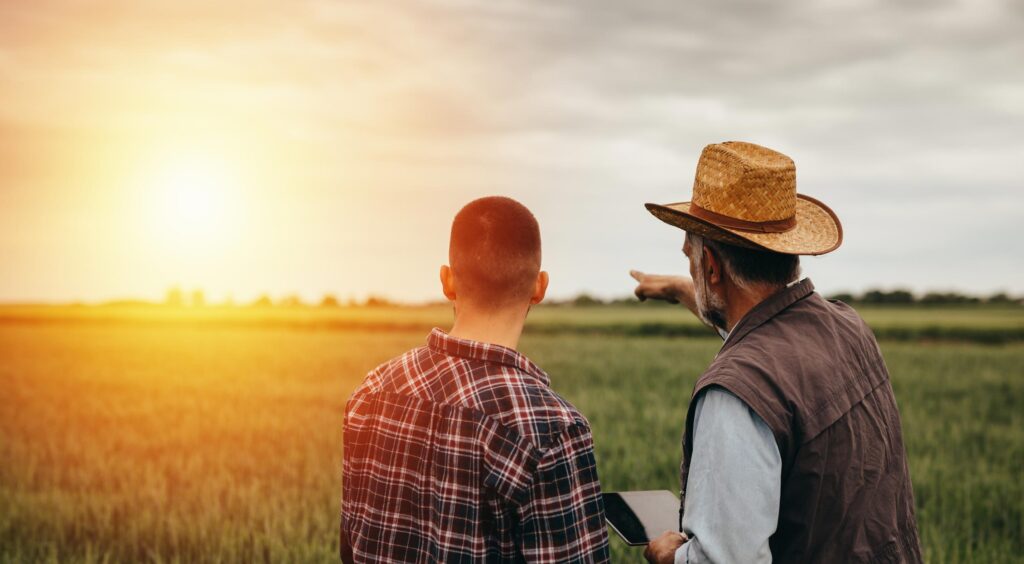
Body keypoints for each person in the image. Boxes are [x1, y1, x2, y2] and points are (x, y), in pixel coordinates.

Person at [633, 142, 923, 563]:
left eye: (691, 259)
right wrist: (682, 289)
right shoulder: (849, 327)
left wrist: (669, 557)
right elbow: (767, 333)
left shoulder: (735, 396)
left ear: (711, 267)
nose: (690, 268)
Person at [340, 196, 609, 563]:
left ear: (447, 281)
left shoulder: (370, 394)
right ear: (539, 287)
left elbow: (350, 547)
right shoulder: (552, 430)